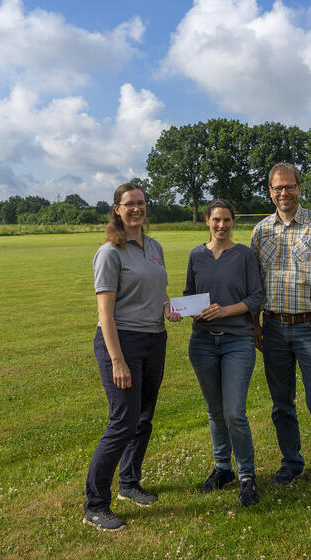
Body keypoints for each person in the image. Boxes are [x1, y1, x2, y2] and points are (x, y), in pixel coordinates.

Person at [84, 183, 181, 532]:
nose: (137, 209)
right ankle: (95, 504)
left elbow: (156, 290)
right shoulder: (110, 252)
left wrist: (168, 306)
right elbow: (105, 313)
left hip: (155, 338)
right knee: (122, 421)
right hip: (121, 341)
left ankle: (129, 483)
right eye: (130, 205)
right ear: (117, 209)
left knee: (143, 418)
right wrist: (117, 360)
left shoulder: (153, 247)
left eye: (141, 203)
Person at [250, 162, 311, 493]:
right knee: (281, 403)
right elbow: (252, 283)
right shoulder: (261, 231)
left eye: (289, 186)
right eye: (277, 188)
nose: (284, 193)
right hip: (274, 327)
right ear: (270, 192)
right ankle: (291, 462)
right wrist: (255, 324)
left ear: (299, 188)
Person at [184, 199, 264, 507]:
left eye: (227, 220)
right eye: (216, 220)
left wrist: (225, 311)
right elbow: (190, 293)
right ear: (207, 220)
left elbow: (257, 296)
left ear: (233, 222)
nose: (221, 225)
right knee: (215, 412)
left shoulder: (244, 255)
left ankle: (247, 476)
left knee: (234, 412)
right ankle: (222, 469)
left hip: (237, 341)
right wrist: (189, 311)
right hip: (202, 342)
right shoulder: (196, 255)